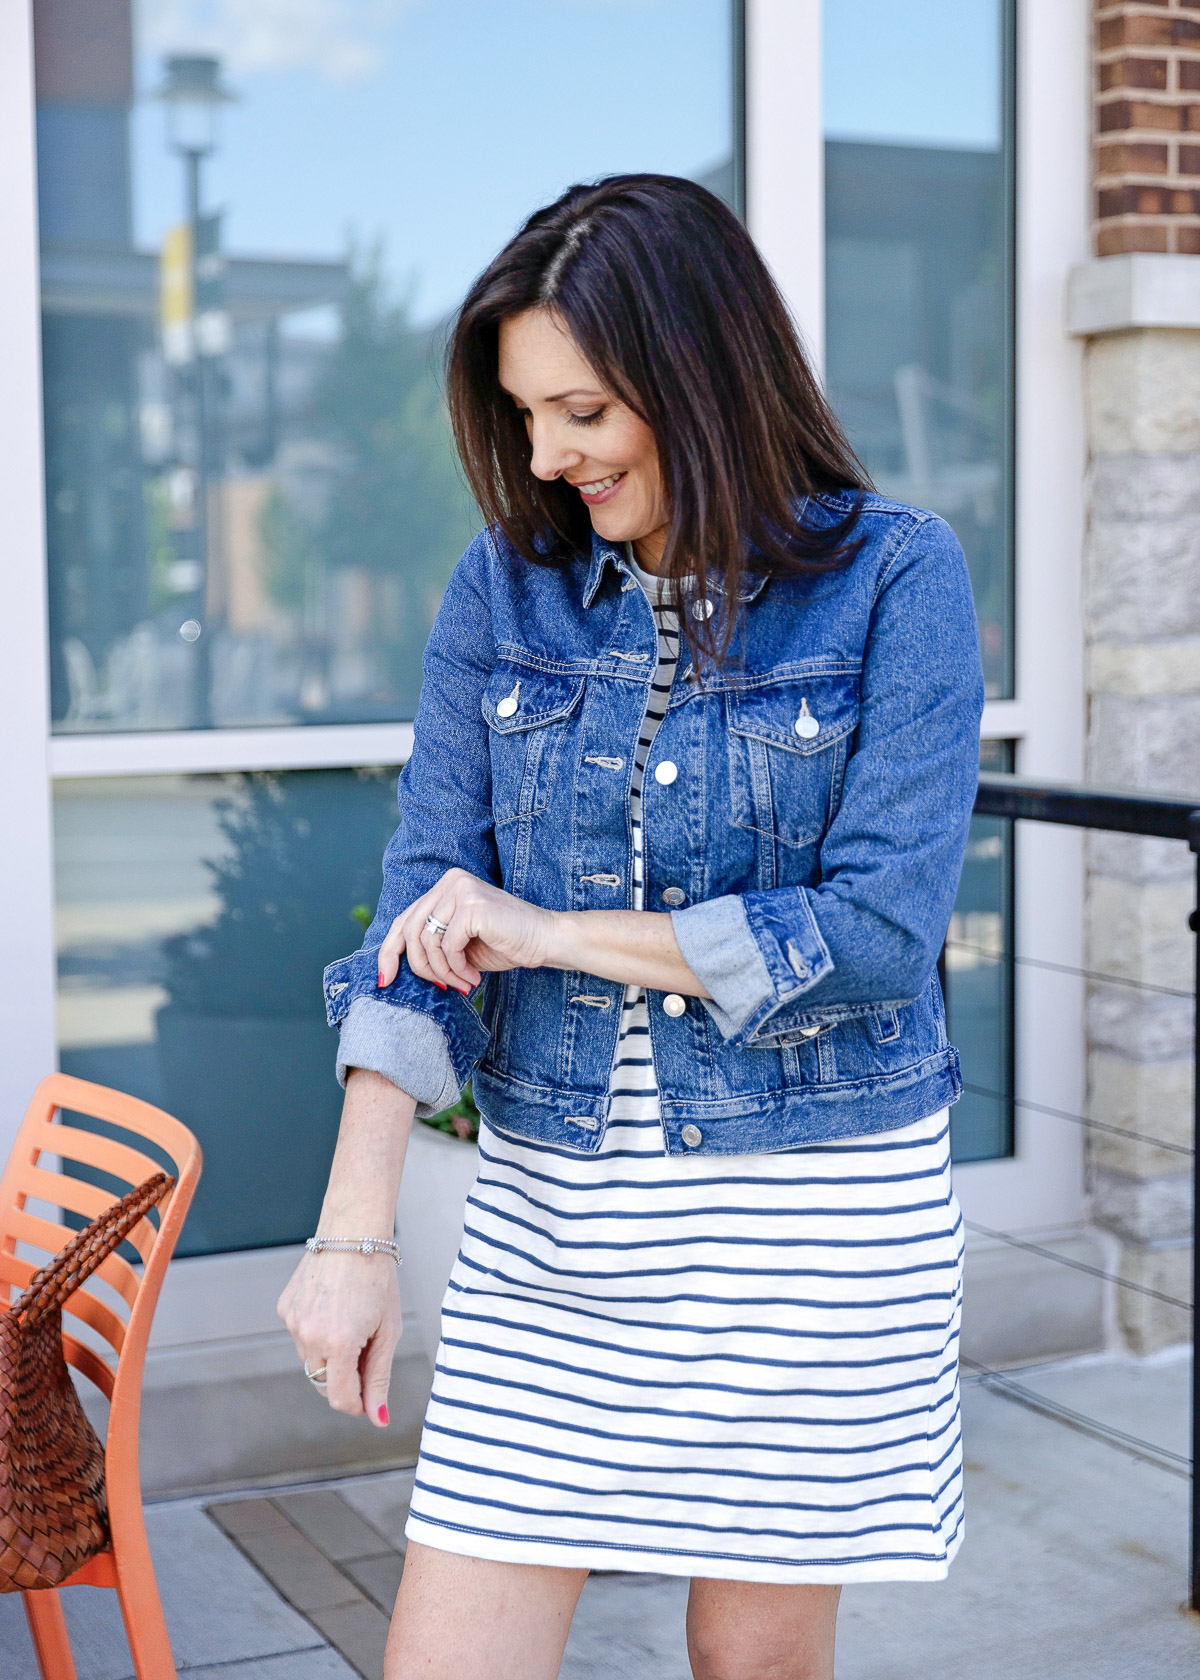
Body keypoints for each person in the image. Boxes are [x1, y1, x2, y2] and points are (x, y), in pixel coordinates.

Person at [279, 173, 984, 1680]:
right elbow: (428, 905)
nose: (548, 456)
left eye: (583, 410)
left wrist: (545, 930)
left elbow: (873, 930)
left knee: (755, 1667)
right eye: (527, 414)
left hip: (815, 1224)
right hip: (558, 1225)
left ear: (700, 377)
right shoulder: (507, 590)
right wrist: (353, 1233)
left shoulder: (896, 577)